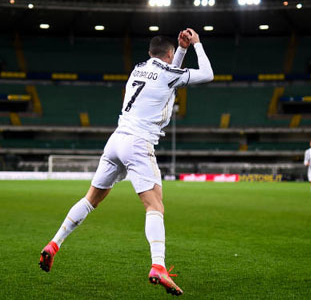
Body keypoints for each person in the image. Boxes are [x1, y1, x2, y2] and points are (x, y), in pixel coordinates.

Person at [39, 28, 213, 296]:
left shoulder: (138, 68)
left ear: (150, 53)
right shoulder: (168, 74)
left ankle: (54, 243)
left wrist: (181, 50)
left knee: (90, 199)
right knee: (155, 206)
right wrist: (197, 45)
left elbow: (168, 76)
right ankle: (158, 266)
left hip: (116, 140)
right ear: (168, 55)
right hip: (139, 144)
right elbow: (207, 74)